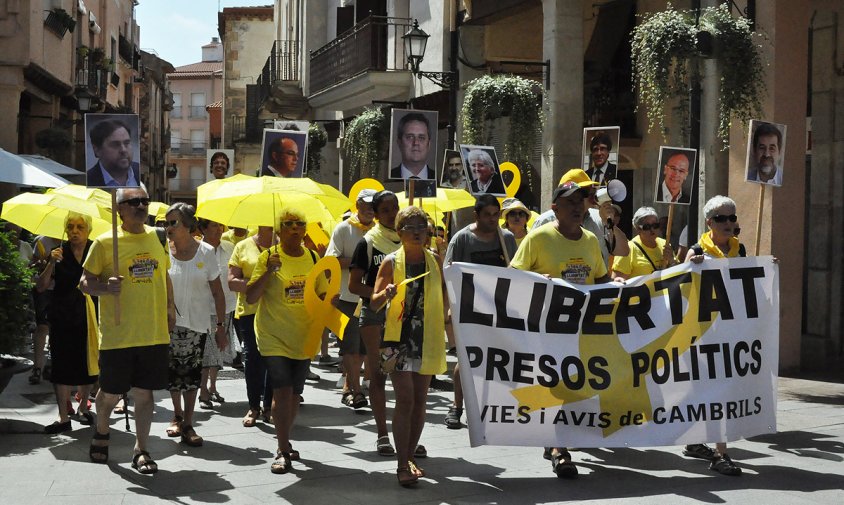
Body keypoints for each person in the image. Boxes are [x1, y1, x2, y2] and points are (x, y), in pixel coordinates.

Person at [510, 180, 610, 479]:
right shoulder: (538, 239)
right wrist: (537, 281)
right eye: (570, 202)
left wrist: (618, 288)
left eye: (581, 201)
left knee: (574, 387)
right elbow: (512, 278)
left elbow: (602, 281)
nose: (578, 207)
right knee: (555, 385)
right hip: (546, 329)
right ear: (555, 208)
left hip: (581, 331)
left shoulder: (591, 241)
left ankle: (556, 439)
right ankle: (558, 448)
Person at [80, 183, 175, 474]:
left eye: (144, 201)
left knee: (145, 395)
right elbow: (84, 283)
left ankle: (141, 449)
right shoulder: (105, 242)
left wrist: (171, 309)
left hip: (153, 332)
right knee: (109, 393)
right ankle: (102, 431)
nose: (141, 206)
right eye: (133, 202)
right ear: (119, 209)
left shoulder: (159, 238)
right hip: (118, 335)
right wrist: (105, 288)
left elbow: (165, 276)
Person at [245, 208, 327, 474]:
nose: (295, 228)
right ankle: (281, 450)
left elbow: (322, 294)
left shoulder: (314, 257)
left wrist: (330, 302)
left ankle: (285, 439)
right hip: (272, 335)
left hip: (303, 335)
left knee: (294, 395)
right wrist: (269, 272)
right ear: (279, 231)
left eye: (300, 224)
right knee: (281, 390)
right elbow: (251, 297)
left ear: (305, 230)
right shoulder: (268, 257)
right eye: (289, 224)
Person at [371, 206, 448, 486]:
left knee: (419, 401)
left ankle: (410, 456)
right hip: (397, 340)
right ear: (400, 233)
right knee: (405, 399)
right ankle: (402, 464)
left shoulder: (435, 260)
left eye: (421, 226)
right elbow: (374, 302)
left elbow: (445, 296)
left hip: (427, 338)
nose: (418, 232)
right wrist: (385, 292)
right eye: (411, 227)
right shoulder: (390, 262)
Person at [681, 195, 751, 476]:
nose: (728, 223)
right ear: (709, 222)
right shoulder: (697, 251)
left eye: (732, 217)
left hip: (730, 334)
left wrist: (766, 267)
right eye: (722, 218)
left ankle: (720, 453)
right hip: (701, 336)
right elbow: (680, 293)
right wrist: (691, 267)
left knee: (723, 393)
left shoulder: (740, 249)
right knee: (702, 392)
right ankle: (697, 441)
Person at [443, 194, 517, 430]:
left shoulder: (506, 239)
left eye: (496, 215)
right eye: (488, 215)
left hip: (500, 311)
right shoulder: (462, 239)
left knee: (498, 361)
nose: (493, 219)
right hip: (469, 311)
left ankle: (493, 408)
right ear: (476, 215)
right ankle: (457, 407)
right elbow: (449, 274)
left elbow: (516, 272)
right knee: (465, 360)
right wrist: (450, 309)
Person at [162, 203, 227, 447]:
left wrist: (220, 326)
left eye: (173, 222)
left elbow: (218, 293)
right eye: (166, 223)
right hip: (168, 324)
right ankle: (176, 415)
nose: (168, 227)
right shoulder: (162, 251)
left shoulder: (206, 252)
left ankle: (188, 422)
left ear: (188, 226)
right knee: (172, 374)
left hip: (197, 324)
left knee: (191, 375)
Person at [348, 190, 402, 456]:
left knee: (404, 378)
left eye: (395, 208)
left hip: (404, 317)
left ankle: (405, 435)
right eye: (386, 209)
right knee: (379, 374)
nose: (392, 213)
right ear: (377, 214)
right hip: (375, 316)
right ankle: (382, 434)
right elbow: (354, 285)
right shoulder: (368, 242)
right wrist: (381, 293)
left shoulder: (410, 240)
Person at [37, 213, 97, 433]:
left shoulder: (96, 249)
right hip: (62, 315)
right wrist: (51, 262)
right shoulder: (59, 252)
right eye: (70, 226)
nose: (74, 231)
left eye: (80, 226)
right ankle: (63, 418)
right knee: (61, 366)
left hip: (90, 315)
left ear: (88, 229)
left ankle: (83, 407)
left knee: (88, 364)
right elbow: (41, 286)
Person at [325, 189, 377, 410]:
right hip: (347, 297)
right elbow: (330, 262)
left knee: (365, 349)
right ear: (357, 204)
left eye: (373, 205)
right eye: (365, 204)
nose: (369, 209)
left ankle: (350, 386)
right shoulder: (343, 229)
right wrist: (357, 262)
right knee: (351, 348)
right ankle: (355, 391)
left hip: (372, 297)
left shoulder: (379, 231)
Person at [532, 169, 630, 267]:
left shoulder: (600, 218)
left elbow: (623, 251)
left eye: (592, 188)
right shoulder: (545, 220)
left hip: (596, 281)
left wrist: (609, 223)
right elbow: (528, 261)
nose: (592, 192)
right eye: (585, 190)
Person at [228, 226, 275, 427]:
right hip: (249, 312)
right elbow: (232, 282)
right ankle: (254, 406)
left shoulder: (285, 247)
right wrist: (258, 283)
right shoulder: (242, 246)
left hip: (278, 312)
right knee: (253, 359)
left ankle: (270, 406)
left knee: (275, 359)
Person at [197, 218, 238, 410]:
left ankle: (213, 386)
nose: (219, 229)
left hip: (228, 306)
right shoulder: (196, 249)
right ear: (203, 229)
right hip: (204, 308)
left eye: (220, 225)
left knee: (219, 350)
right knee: (207, 352)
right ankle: (202, 391)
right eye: (214, 225)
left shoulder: (230, 247)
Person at [611, 207, 676, 281]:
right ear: (638, 229)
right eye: (647, 227)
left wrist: (671, 260)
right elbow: (617, 281)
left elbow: (677, 274)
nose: (652, 230)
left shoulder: (665, 244)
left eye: (655, 225)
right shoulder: (627, 249)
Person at [86, 119, 141, 187]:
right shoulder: (88, 180)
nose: (123, 150)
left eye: (127, 143)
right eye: (115, 144)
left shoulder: (139, 172)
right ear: (97, 150)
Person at [390, 113, 435, 180]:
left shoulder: (440, 179)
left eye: (421, 137)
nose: (416, 143)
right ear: (399, 143)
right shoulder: (388, 179)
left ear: (428, 144)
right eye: (410, 137)